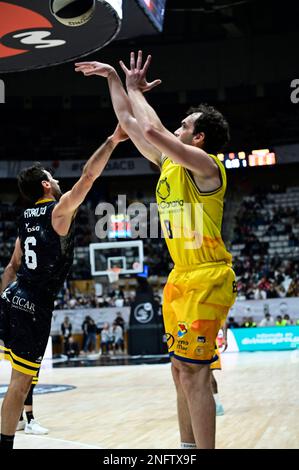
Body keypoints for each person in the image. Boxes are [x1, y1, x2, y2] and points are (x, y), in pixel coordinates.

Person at [75, 51, 237, 449]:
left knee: (196, 374)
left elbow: (152, 130)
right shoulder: (170, 163)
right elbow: (132, 124)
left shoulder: (207, 166)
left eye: (184, 125)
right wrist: (114, 78)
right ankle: (185, 449)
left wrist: (135, 88)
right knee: (180, 370)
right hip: (181, 278)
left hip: (208, 276)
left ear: (198, 137)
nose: (176, 127)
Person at [0, 124, 128, 449]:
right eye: (53, 178)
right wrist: (112, 140)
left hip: (12, 295)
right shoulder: (57, 211)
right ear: (46, 184)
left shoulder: (24, 216)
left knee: (18, 381)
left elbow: (13, 264)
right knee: (19, 383)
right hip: (34, 303)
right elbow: (88, 177)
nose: (58, 181)